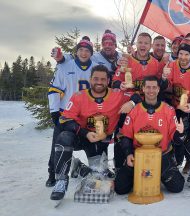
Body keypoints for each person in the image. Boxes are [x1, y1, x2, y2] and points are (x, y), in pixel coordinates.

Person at [50, 65, 130, 200]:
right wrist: (85, 133)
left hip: (101, 140)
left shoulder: (117, 95)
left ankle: (78, 167)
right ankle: (61, 180)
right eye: (96, 79)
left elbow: (140, 98)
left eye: (103, 79)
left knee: (97, 175)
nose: (99, 82)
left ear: (108, 80)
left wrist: (132, 103)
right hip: (82, 137)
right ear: (90, 79)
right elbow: (65, 120)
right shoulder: (79, 96)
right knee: (64, 137)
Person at [114, 76, 185, 194]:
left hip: (161, 155)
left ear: (158, 89)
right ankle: (138, 175)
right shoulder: (134, 110)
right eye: (148, 87)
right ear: (143, 89)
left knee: (177, 187)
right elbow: (126, 136)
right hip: (139, 155)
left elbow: (176, 139)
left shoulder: (168, 110)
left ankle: (159, 174)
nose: (151, 90)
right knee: (120, 188)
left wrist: (180, 133)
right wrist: (128, 154)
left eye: (154, 87)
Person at [46, 37, 97, 187]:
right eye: (80, 50)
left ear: (91, 53)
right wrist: (54, 112)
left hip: (87, 116)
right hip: (66, 115)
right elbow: (54, 90)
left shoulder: (95, 68)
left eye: (87, 50)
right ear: (76, 52)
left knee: (95, 143)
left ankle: (97, 170)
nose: (83, 53)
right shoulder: (64, 66)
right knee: (58, 144)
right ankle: (53, 174)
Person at [160, 39, 190, 178]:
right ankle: (176, 163)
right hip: (172, 106)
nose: (183, 57)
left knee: (185, 138)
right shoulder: (172, 65)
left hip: (187, 108)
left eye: (186, 54)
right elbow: (166, 88)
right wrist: (164, 78)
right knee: (172, 136)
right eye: (181, 54)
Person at [52, 30, 121, 86]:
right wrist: (61, 58)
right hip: (102, 92)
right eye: (104, 44)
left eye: (110, 44)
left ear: (115, 45)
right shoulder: (94, 57)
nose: (107, 46)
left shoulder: (122, 57)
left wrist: (132, 55)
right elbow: (75, 59)